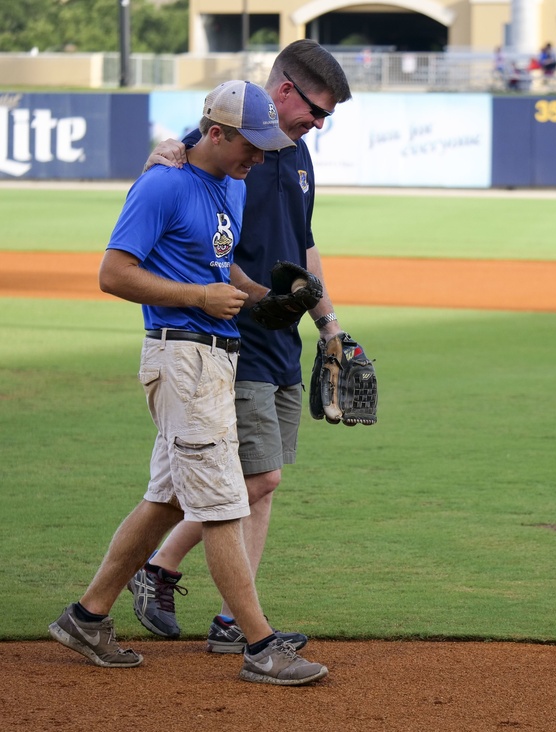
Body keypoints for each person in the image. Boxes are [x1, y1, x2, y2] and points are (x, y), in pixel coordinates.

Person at [48, 80, 328, 686]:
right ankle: (259, 645)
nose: (259, 155)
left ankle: (87, 616)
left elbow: (217, 262)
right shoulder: (163, 184)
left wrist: (266, 299)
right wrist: (197, 298)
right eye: (249, 144)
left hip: (214, 360)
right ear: (217, 133)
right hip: (179, 358)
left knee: (169, 500)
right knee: (225, 500)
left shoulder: (231, 182)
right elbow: (113, 273)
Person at [127, 40, 354, 654]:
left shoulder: (299, 157)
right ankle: (183, 583)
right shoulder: (221, 151)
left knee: (253, 482)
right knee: (251, 478)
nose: (320, 123)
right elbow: (177, 174)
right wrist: (166, 152)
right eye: (317, 109)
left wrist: (327, 322)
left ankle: (181, 586)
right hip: (228, 338)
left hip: (279, 335)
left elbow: (304, 245)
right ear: (285, 92)